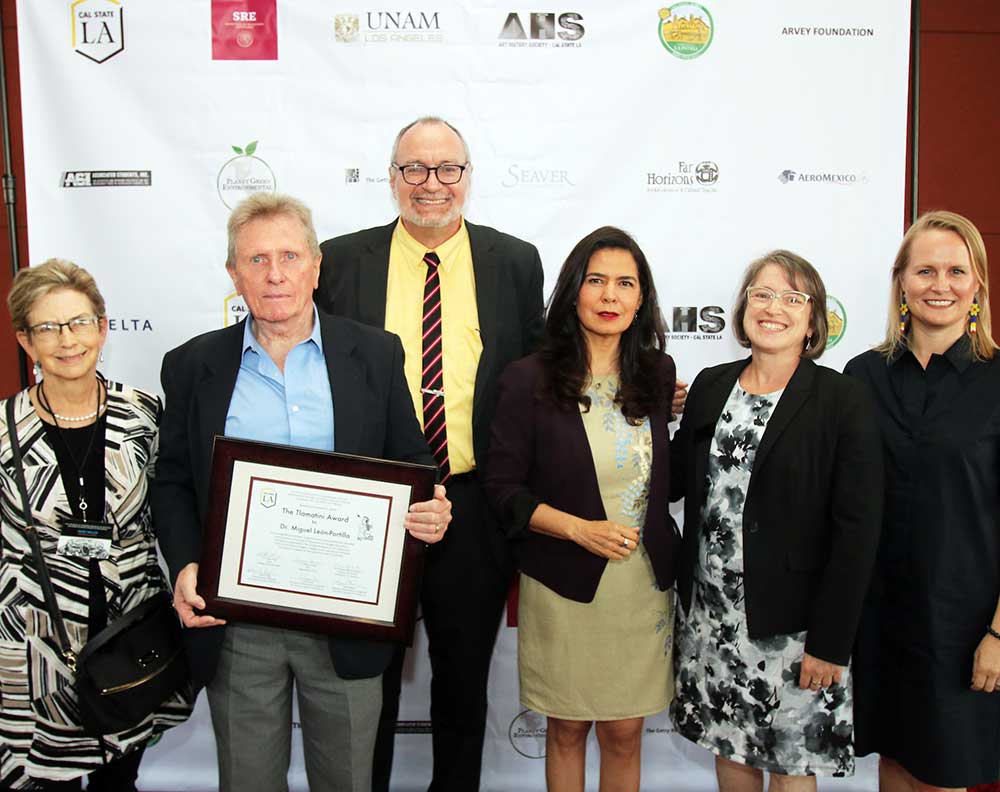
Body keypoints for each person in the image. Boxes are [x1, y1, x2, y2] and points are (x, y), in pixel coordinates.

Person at [152, 192, 451, 792]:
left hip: (346, 617)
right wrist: (185, 564)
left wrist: (432, 505)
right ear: (233, 274)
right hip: (236, 624)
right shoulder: (192, 365)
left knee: (345, 782)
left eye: (289, 255)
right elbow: (175, 481)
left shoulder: (374, 353)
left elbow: (413, 459)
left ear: (317, 265)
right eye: (256, 260)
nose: (275, 273)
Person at [315, 116, 544, 792]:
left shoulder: (514, 261)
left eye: (448, 169)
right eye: (414, 168)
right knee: (365, 684)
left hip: (473, 503)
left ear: (468, 179)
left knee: (464, 683)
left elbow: (541, 373)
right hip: (373, 500)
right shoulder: (341, 259)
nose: (431, 184)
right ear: (391, 179)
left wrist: (642, 390)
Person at [670, 250, 882, 789]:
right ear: (743, 307)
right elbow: (675, 482)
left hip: (797, 628)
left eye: (793, 298)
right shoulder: (711, 387)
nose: (774, 308)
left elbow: (857, 530)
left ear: (813, 319)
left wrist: (831, 642)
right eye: (762, 294)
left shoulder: (843, 399)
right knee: (731, 749)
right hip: (713, 620)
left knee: (791, 766)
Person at [484, 226, 679, 792]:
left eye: (625, 283)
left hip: (641, 588)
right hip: (564, 581)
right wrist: (578, 531)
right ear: (574, 291)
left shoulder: (657, 374)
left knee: (624, 733)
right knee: (566, 730)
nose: (610, 296)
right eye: (596, 281)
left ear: (642, 298)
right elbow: (503, 489)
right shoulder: (529, 379)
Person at [0, 259, 192, 791]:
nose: (68, 340)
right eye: (48, 328)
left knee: (118, 783)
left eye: (80, 322)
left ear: (103, 329)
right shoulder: (1, 432)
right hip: (34, 649)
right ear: (25, 341)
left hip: (127, 642)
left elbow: (176, 509)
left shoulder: (144, 415)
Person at [846, 211, 1000, 792]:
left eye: (956, 271)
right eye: (926, 270)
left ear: (978, 283)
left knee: (943, 775)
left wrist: (999, 636)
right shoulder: (863, 376)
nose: (941, 284)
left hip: (966, 628)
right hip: (881, 619)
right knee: (894, 765)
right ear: (901, 283)